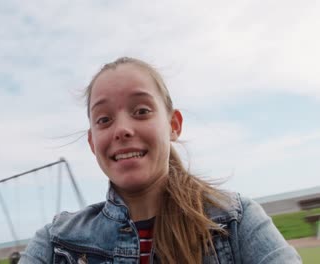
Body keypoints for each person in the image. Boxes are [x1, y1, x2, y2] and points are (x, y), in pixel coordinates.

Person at [20, 57, 301, 263]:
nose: (122, 129)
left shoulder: (236, 221)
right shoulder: (55, 242)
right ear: (93, 143)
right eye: (104, 119)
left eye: (141, 111)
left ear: (173, 125)